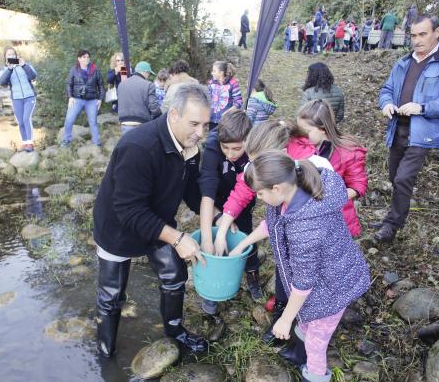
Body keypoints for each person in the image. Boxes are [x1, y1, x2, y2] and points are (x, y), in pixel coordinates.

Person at [228, 151, 370, 382]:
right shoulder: (288, 193)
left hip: (333, 285)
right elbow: (271, 225)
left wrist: (285, 319)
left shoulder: (307, 226)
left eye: (259, 193)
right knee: (307, 320)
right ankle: (298, 352)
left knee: (317, 338)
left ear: (277, 187)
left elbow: (304, 284)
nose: (258, 198)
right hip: (320, 278)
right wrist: (244, 244)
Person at [92, 83, 211, 358]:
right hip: (118, 227)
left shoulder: (190, 146)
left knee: (175, 275)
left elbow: (192, 192)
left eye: (205, 125)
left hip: (156, 220)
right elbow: (129, 211)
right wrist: (179, 238)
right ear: (173, 115)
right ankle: (105, 350)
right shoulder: (138, 147)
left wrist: (216, 215)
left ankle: (175, 332)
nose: (201, 133)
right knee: (112, 296)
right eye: (194, 124)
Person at [212, 120, 332, 344]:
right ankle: (281, 311)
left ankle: (299, 323)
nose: (253, 166)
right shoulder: (266, 166)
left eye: (258, 162)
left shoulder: (311, 168)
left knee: (306, 281)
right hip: (284, 232)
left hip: (310, 240)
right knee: (284, 272)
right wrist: (223, 231)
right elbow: (243, 192)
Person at [375, 13, 439, 243]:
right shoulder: (403, 62)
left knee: (402, 179)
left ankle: (391, 226)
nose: (417, 40)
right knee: (394, 176)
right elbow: (386, 89)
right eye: (413, 35)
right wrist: (386, 103)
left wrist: (422, 107)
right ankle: (396, 213)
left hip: (423, 133)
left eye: (423, 34)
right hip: (397, 127)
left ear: (437, 32)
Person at [198, 109, 263, 320]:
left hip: (243, 205)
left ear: (248, 140)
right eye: (225, 147)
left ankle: (252, 275)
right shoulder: (212, 147)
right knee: (215, 243)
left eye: (236, 148)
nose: (230, 154)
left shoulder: (254, 149)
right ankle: (212, 291)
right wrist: (211, 230)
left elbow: (248, 188)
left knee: (247, 240)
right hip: (217, 203)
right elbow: (206, 190)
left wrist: (234, 212)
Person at [296, 100, 367, 236]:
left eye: (306, 131)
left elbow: (358, 186)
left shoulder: (347, 152)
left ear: (323, 129)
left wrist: (330, 200)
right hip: (307, 217)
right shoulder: (301, 147)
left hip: (337, 218)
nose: (301, 136)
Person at [0, 47, 37, 152]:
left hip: (29, 97)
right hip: (16, 99)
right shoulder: (3, 70)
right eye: (8, 55)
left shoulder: (25, 65)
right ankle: (25, 144)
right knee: (20, 122)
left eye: (12, 54)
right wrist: (10, 69)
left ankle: (30, 143)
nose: (11, 56)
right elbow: (2, 82)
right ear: (5, 57)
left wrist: (24, 65)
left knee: (26, 119)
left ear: (16, 55)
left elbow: (33, 76)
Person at [62, 49, 104, 146]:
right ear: (79, 59)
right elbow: (68, 83)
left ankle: (96, 143)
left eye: (88, 57)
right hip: (77, 99)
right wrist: (70, 97)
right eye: (84, 57)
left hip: (92, 100)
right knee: (69, 119)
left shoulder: (95, 69)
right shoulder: (74, 70)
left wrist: (101, 99)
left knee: (93, 122)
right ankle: (66, 140)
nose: (86, 59)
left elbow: (101, 85)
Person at [117, 61, 162, 135]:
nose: (148, 75)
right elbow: (154, 108)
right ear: (145, 72)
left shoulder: (121, 85)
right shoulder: (149, 85)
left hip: (124, 122)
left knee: (129, 146)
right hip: (141, 123)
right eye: (149, 73)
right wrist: (160, 116)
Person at [207, 61, 243, 129]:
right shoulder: (211, 83)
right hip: (212, 120)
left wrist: (227, 113)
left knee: (224, 139)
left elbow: (239, 102)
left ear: (221, 73)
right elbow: (206, 98)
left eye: (214, 71)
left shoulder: (233, 83)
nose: (212, 73)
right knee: (212, 139)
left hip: (226, 121)